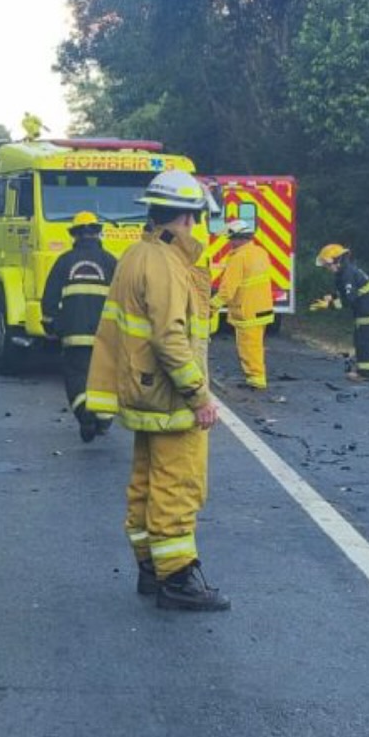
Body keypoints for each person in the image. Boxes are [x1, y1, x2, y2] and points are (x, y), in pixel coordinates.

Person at [84, 168, 229, 612]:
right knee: (178, 484)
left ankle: (151, 568)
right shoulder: (167, 264)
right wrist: (199, 397)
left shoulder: (135, 254)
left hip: (143, 391)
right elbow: (171, 338)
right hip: (170, 396)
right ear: (187, 217)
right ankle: (178, 579)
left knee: (146, 482)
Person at [42, 210, 118, 442]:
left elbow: (50, 298)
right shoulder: (111, 262)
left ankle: (86, 418)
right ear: (97, 234)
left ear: (75, 235)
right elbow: (125, 298)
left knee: (77, 378)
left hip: (74, 336)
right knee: (105, 379)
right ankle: (104, 420)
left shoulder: (64, 261)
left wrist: (52, 325)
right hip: (105, 336)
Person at [310, 243, 369, 382]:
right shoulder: (344, 272)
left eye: (329, 264)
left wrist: (329, 305)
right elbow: (344, 293)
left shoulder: (347, 274)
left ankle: (365, 374)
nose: (328, 268)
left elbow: (348, 300)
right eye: (326, 265)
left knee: (364, 342)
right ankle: (364, 370)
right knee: (361, 340)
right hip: (367, 311)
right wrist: (331, 297)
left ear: (338, 260)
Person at [212, 217, 275, 390]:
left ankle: (256, 379)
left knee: (248, 346)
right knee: (255, 345)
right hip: (262, 308)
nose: (230, 243)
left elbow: (227, 289)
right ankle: (256, 376)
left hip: (247, 309)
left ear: (239, 238)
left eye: (231, 239)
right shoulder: (260, 252)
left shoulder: (238, 258)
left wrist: (211, 307)